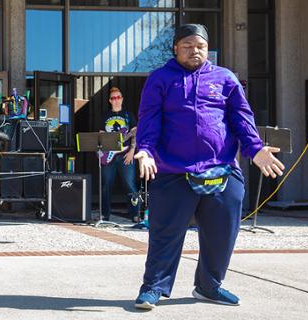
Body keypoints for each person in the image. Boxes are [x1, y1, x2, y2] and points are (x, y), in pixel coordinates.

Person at [133, 24, 285, 309]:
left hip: (223, 170)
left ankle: (209, 286)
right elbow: (149, 118)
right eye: (188, 45)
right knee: (166, 233)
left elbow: (242, 118)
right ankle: (153, 287)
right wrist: (145, 150)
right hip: (173, 172)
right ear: (175, 48)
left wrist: (255, 149)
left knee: (222, 233)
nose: (195, 50)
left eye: (200, 45)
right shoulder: (160, 79)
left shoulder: (225, 78)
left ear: (208, 49)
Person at [98, 86, 140, 222]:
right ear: (110, 100)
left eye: (118, 97)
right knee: (106, 186)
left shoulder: (128, 116)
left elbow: (134, 134)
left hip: (125, 155)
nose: (116, 100)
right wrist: (102, 154)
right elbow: (101, 136)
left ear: (122, 99)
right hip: (108, 156)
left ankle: (135, 214)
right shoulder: (104, 116)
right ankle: (104, 214)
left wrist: (132, 151)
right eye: (113, 98)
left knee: (130, 184)